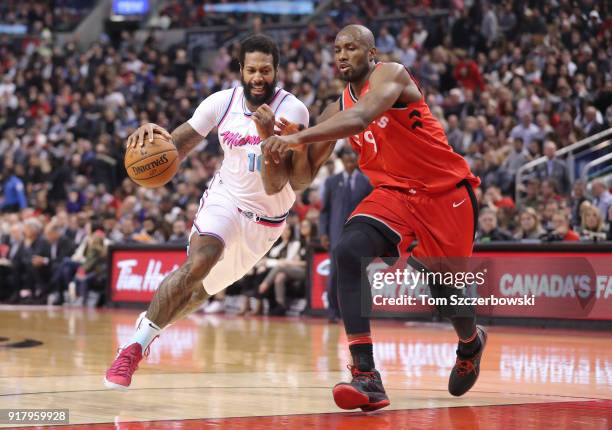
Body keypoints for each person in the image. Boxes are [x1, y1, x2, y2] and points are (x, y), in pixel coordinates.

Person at [263, 25, 486, 411]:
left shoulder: (391, 74)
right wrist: (276, 141)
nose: (343, 55)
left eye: (351, 47)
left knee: (445, 294)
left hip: (444, 193)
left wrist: (301, 137)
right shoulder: (335, 106)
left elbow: (361, 118)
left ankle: (470, 342)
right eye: (337, 49)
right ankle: (366, 376)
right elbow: (300, 179)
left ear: (371, 53)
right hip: (394, 194)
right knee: (348, 251)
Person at [104, 34, 310, 390]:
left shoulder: (292, 111)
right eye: (251, 70)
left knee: (198, 294)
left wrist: (265, 134)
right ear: (240, 70)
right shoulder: (220, 102)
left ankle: (147, 327)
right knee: (201, 261)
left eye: (265, 70)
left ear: (277, 71)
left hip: (266, 221)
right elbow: (175, 146)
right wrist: (145, 142)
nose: (258, 77)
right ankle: (133, 349)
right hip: (225, 200)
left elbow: (277, 185)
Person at [319, 148, 372, 322]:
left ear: (357, 159)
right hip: (336, 235)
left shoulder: (366, 182)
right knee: (335, 274)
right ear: (342, 159)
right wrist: (323, 233)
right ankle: (333, 312)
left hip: (357, 235)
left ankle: (353, 313)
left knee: (356, 274)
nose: (350, 160)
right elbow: (324, 211)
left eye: (353, 157)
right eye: (347, 157)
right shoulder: (332, 182)